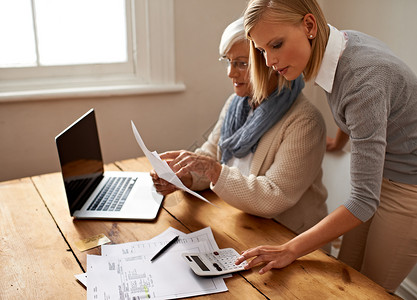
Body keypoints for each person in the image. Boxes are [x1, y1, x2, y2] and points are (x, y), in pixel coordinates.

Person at [235, 0, 417, 292]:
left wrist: (290, 249)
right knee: (347, 275)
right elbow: (360, 110)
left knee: (369, 291)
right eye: (261, 50)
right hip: (383, 171)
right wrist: (340, 139)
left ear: (308, 26)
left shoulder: (362, 79)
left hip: (409, 186)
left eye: (276, 44)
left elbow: (362, 201)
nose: (269, 61)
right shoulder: (336, 47)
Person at [151, 17, 328, 235]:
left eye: (242, 63)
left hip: (287, 237)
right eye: (228, 61)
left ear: (271, 62)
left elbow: (274, 197)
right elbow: (212, 155)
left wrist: (213, 170)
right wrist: (182, 178)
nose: (230, 73)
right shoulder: (237, 104)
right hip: (240, 222)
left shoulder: (305, 122)